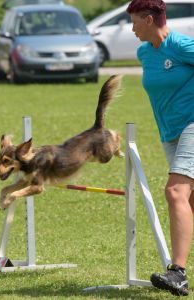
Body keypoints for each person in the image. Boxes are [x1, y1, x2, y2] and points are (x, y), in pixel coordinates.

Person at [126, 0, 194, 296]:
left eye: (135, 22)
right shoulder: (144, 53)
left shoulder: (180, 45)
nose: (131, 28)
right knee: (190, 202)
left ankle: (177, 273)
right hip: (170, 133)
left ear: (150, 19)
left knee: (175, 192)